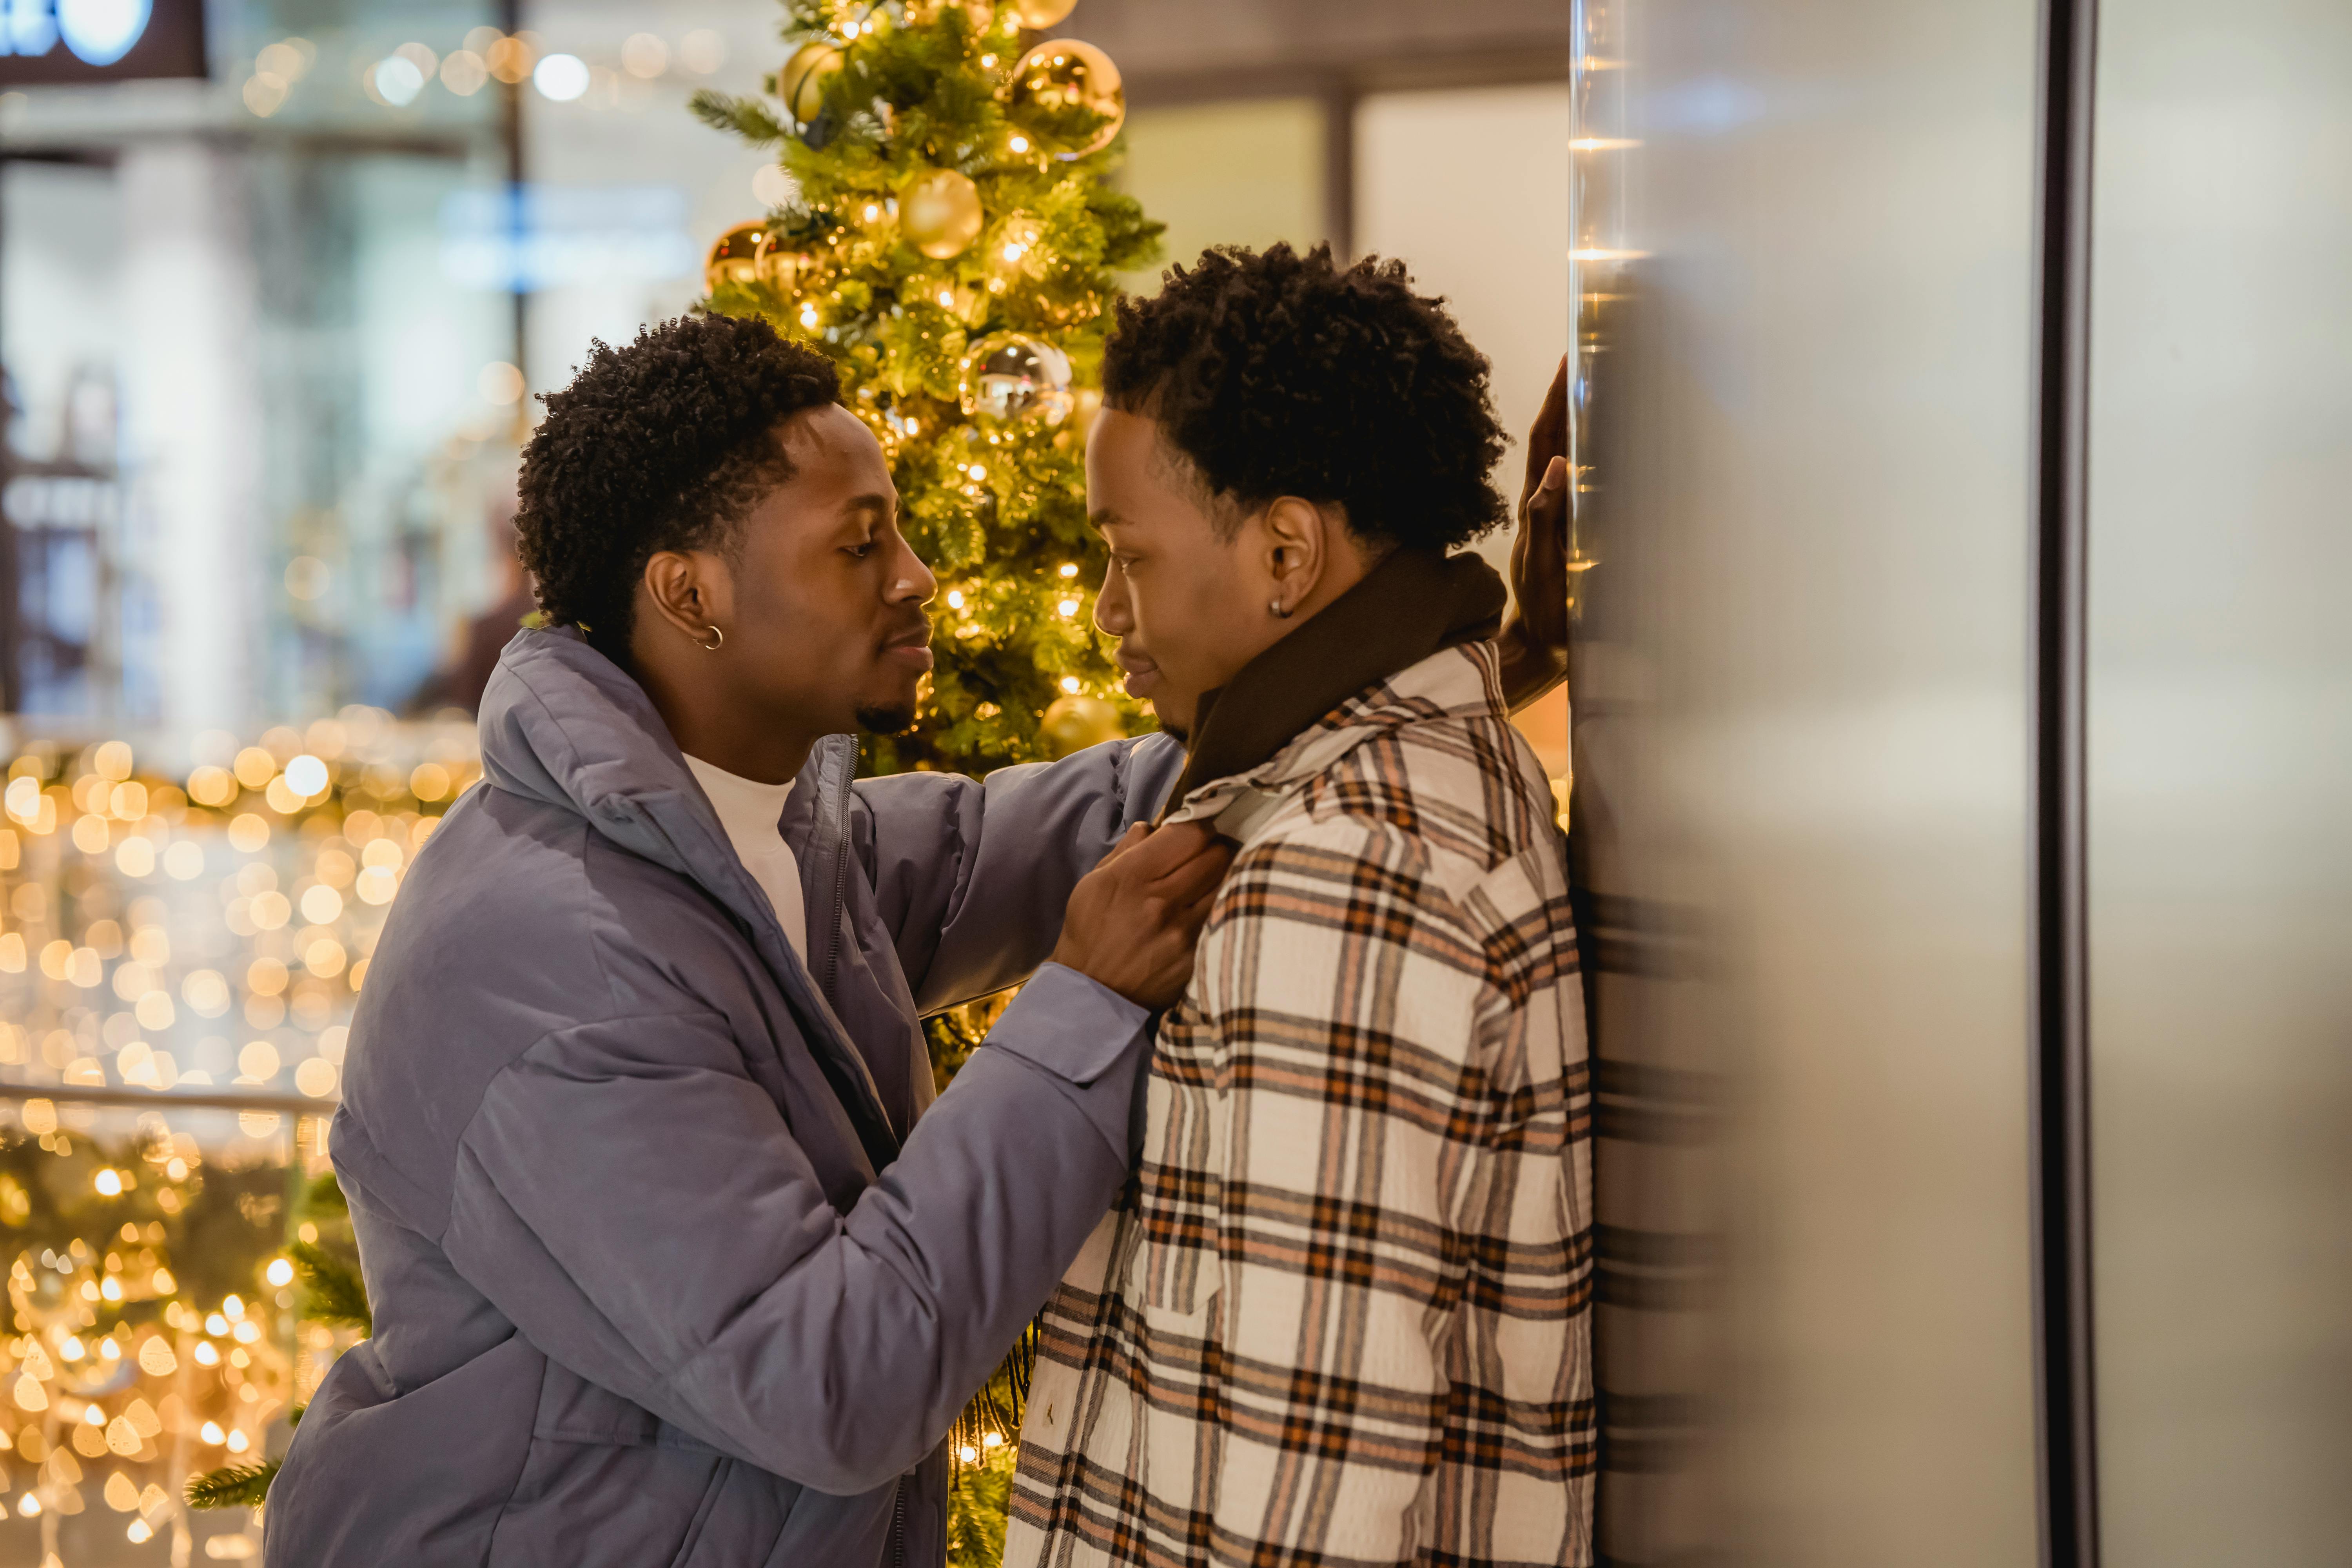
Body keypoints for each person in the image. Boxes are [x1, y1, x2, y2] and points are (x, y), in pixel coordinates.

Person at [263, 314, 1232, 1567]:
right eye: (858, 544)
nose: (916, 576)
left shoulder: (760, 839)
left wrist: (1386, 670)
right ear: (692, 594)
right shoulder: (559, 963)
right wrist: (1085, 1006)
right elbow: (832, 1381)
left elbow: (1058, 831)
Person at [1004, 244, 1593, 1567]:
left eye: (1128, 557)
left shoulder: (1345, 876)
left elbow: (1309, 1471)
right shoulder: (1357, 781)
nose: (1107, 610)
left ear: (1285, 548)